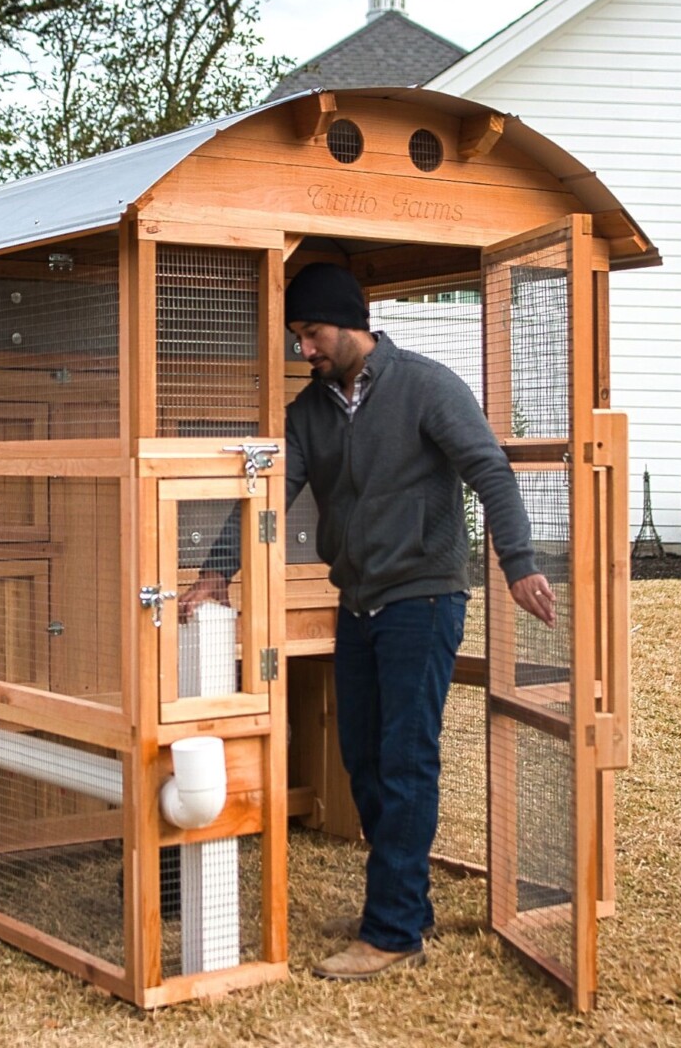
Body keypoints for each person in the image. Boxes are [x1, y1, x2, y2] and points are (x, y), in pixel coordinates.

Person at [181, 261, 556, 981]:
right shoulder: (310, 412)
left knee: (406, 761)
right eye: (297, 338)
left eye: (312, 334)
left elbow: (489, 470)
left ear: (351, 324)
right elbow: (270, 493)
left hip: (424, 597)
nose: (305, 351)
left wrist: (518, 560)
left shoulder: (426, 386)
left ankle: (391, 932)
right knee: (364, 759)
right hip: (356, 602)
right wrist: (216, 571)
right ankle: (408, 905)